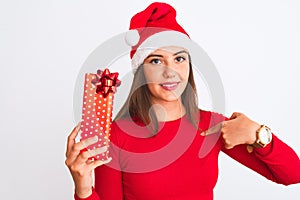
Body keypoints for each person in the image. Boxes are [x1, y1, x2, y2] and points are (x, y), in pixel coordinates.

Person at [65, 2, 300, 200]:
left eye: (179, 58)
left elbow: (293, 174)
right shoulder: (117, 136)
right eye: (156, 61)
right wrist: (84, 189)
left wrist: (259, 134)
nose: (171, 72)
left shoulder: (212, 126)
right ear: (141, 72)